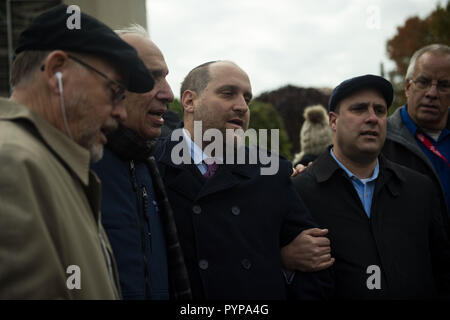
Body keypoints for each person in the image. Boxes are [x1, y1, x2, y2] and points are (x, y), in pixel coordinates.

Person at [0, 5, 154, 299]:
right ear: (57, 70)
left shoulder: (49, 162)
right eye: (115, 92)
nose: (121, 112)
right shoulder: (11, 163)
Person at [155, 60, 334, 300]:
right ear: (189, 101)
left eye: (247, 99)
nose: (242, 106)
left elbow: (316, 267)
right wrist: (277, 258)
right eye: (228, 94)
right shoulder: (151, 165)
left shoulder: (273, 171)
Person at [292, 74, 450, 299]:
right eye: (359, 109)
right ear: (333, 121)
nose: (372, 118)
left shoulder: (420, 189)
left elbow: (442, 270)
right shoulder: (299, 192)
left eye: (380, 110)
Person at [91, 25, 192, 300]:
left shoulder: (153, 166)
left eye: (166, 78)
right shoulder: (74, 166)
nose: (169, 94)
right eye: (150, 77)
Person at [383, 44, 450, 219]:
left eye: (443, 85)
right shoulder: (380, 139)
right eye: (423, 82)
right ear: (407, 87)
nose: (432, 93)